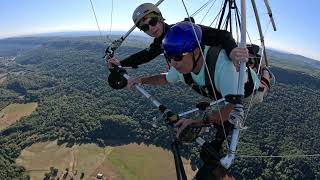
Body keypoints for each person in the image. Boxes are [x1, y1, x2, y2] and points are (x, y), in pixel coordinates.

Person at [127, 22, 272, 179]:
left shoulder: (224, 67)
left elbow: (233, 108)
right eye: (169, 57)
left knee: (262, 90)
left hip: (246, 91)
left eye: (177, 57)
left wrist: (200, 123)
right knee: (222, 88)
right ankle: (253, 60)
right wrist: (141, 80)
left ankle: (265, 71)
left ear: (196, 51)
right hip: (218, 90)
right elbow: (165, 78)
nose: (173, 63)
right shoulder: (179, 64)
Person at [108, 3, 248, 70]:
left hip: (217, 68)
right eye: (145, 27)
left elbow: (222, 35)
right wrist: (121, 63)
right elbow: (146, 55)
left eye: (152, 21)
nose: (151, 28)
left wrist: (232, 50)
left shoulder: (183, 30)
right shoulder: (160, 41)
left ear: (161, 18)